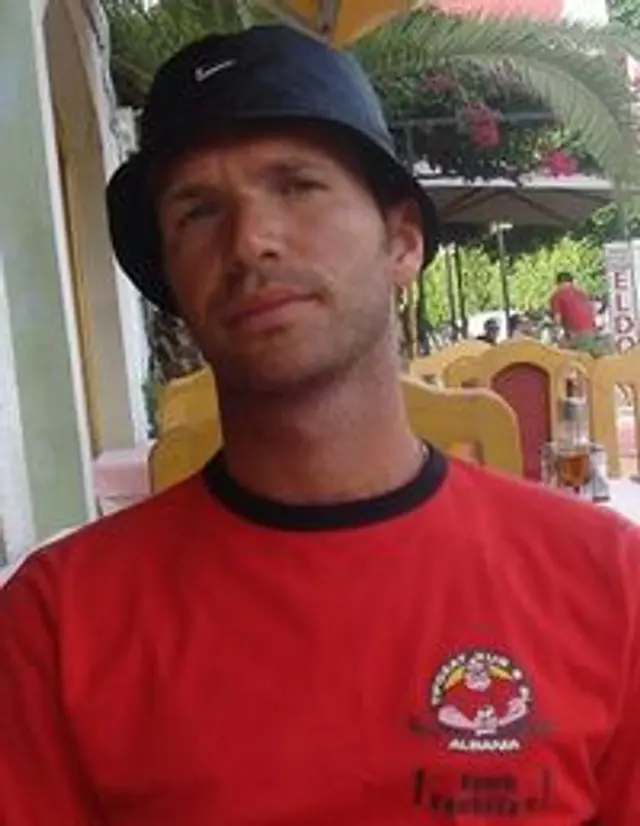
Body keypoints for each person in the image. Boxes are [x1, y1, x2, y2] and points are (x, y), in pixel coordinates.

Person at [1, 24, 640, 826]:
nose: (250, 242)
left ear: (401, 241)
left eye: (298, 185)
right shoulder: (59, 625)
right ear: (171, 279)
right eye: (197, 212)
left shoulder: (607, 582)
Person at [549, 271, 596, 345]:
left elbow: (557, 320)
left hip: (575, 334)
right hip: (591, 332)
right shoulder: (582, 293)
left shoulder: (557, 296)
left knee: (559, 346)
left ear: (558, 284)